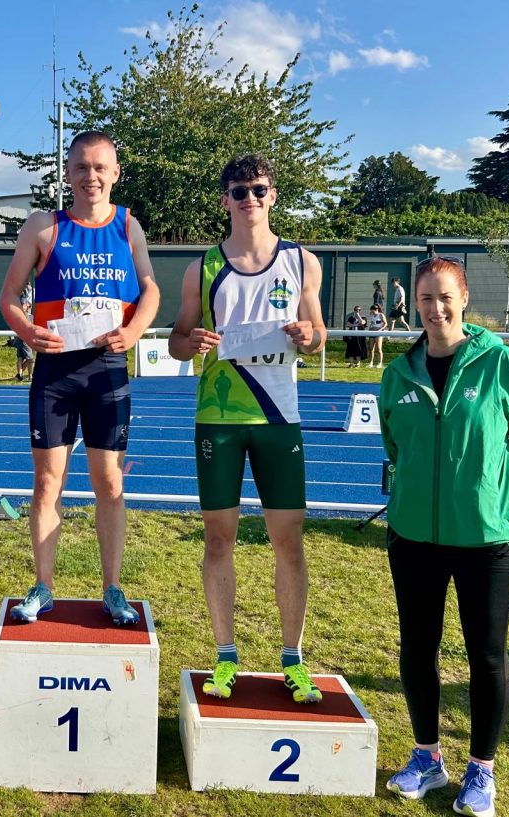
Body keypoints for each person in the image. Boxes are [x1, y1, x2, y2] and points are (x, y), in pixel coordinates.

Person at [379, 255, 509, 816]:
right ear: (415, 303)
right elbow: (394, 446)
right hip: (415, 538)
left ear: (464, 299)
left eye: (445, 296)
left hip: (488, 541)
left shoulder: (501, 365)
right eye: (425, 298)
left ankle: (482, 770)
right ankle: (427, 756)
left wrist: (490, 499)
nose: (435, 307)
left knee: (487, 655)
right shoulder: (398, 371)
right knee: (417, 649)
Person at [168, 153, 327, 704]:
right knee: (219, 538)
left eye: (259, 189)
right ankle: (225, 655)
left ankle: (293, 658)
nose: (250, 199)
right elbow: (177, 339)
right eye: (239, 191)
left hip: (280, 419)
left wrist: (308, 335)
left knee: (288, 540)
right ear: (225, 200)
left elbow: (319, 333)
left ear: (273, 195)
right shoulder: (202, 267)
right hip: (219, 418)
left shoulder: (303, 261)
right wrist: (191, 343)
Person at [0, 130, 160, 626]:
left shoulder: (129, 226)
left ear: (114, 173)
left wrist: (133, 331)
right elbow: (8, 296)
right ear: (67, 174)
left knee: (109, 483)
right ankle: (43, 586)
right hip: (55, 373)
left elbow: (150, 287)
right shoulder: (43, 228)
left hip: (106, 371)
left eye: (100, 168)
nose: (90, 177)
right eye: (81, 168)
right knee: (48, 482)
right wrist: (27, 331)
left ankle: (113, 588)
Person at [14, 297, 34, 381]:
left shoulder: (16, 314)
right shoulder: (25, 315)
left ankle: (19, 375)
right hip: (24, 339)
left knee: (20, 357)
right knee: (30, 359)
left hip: (19, 338)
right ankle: (30, 376)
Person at [368, 303, 387, 368]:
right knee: (371, 349)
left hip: (378, 332)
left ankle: (380, 363)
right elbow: (372, 323)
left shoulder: (381, 315)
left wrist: (380, 329)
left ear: (375, 309)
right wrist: (370, 328)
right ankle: (371, 363)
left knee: (378, 349)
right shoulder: (372, 316)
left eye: (371, 310)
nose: (371, 312)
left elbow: (385, 323)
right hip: (372, 332)